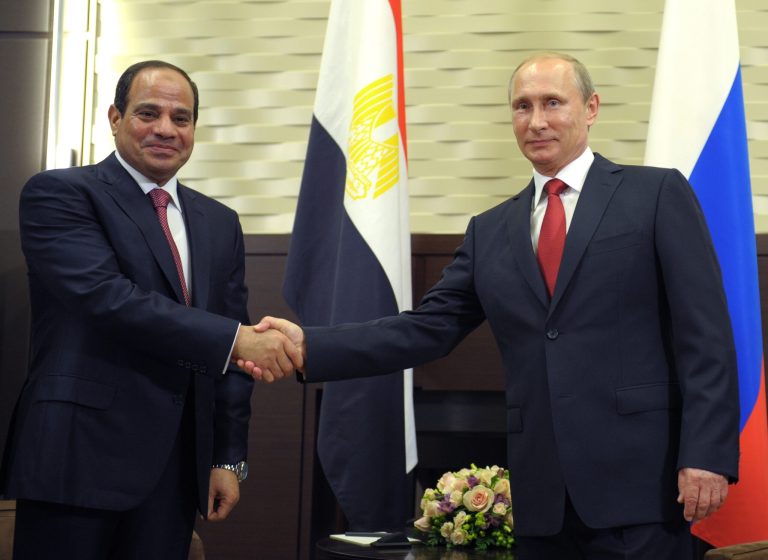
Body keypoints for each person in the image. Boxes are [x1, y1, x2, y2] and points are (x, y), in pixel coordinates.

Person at [246, 52, 740, 559]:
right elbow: (425, 329)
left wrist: (707, 453)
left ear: (591, 108)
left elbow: (706, 337)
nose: (537, 120)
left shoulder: (655, 194)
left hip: (642, 490)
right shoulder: (490, 231)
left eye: (553, 102)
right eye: (523, 106)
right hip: (542, 501)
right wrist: (311, 345)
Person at [0, 60, 301, 560]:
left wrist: (227, 458)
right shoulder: (60, 193)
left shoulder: (219, 222)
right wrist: (237, 340)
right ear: (115, 117)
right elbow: (107, 298)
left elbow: (232, 355)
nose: (166, 129)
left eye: (181, 118)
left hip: (174, 472)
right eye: (148, 113)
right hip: (75, 459)